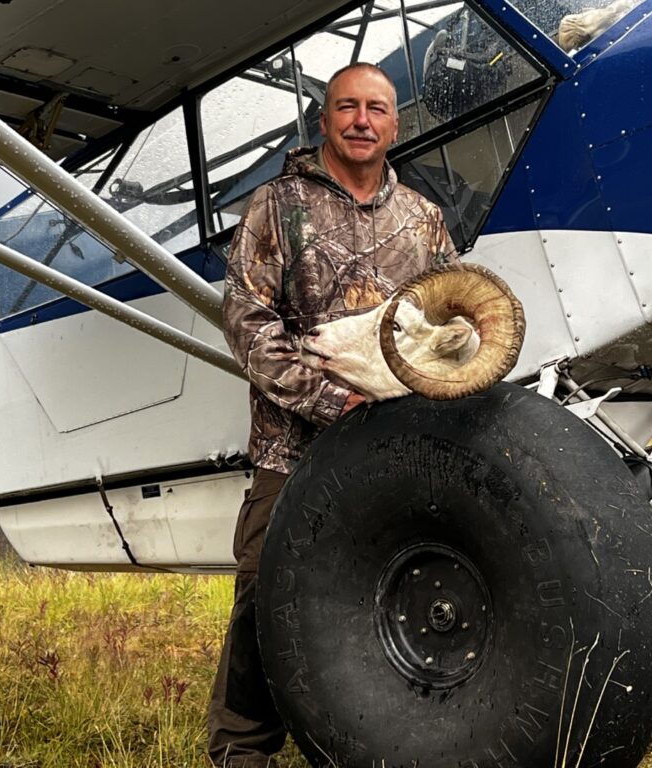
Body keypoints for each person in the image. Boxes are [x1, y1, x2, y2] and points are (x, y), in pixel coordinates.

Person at [210, 62, 458, 766]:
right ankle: (242, 749)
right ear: (324, 120)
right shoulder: (277, 206)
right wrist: (329, 401)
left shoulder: (424, 219)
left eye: (376, 109)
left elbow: (446, 322)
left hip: (396, 446)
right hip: (293, 448)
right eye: (346, 107)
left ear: (394, 123)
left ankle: (384, 735)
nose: (361, 121)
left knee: (395, 584)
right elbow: (246, 321)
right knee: (266, 590)